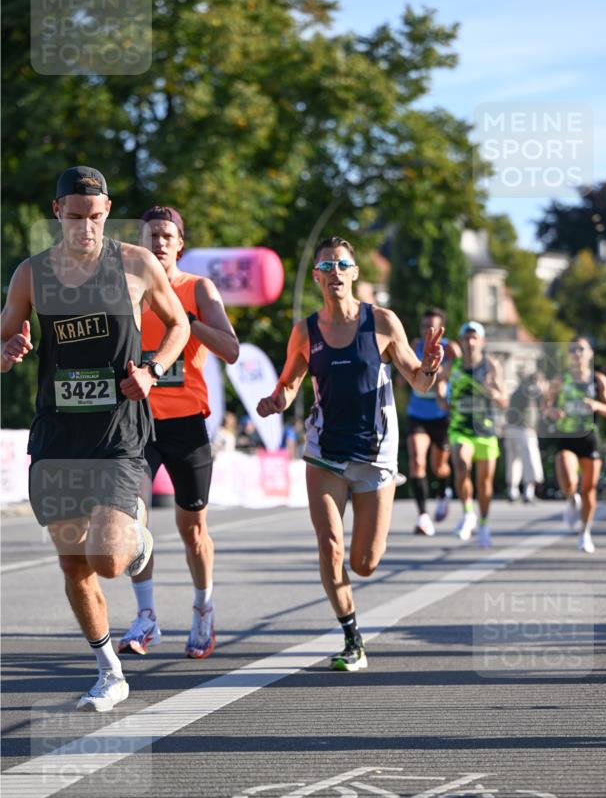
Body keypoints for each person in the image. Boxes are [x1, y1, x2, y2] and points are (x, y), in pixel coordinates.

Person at [0, 167, 189, 711]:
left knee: (107, 558)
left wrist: (152, 369)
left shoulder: (135, 262)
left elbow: (178, 324)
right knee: (73, 564)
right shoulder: (31, 274)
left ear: (108, 213)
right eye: (76, 217)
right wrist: (9, 351)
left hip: (120, 433)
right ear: (57, 211)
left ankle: (139, 542)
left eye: (97, 218)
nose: (86, 228)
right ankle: (110, 672)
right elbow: (5, 334)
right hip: (58, 433)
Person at [257, 236, 443, 671]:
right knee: (330, 547)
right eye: (326, 266)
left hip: (376, 455)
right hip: (325, 452)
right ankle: (351, 639)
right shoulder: (305, 330)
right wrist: (274, 401)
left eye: (343, 264)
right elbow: (288, 384)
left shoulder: (380, 322)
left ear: (355, 273)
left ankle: (357, 598)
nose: (334, 272)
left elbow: (418, 382)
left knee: (364, 563)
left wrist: (431, 364)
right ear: (318, 276)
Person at [118, 206, 239, 659]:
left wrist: (186, 320)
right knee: (131, 520)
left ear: (180, 243)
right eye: (151, 234)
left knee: (192, 529)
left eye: (167, 235)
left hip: (187, 422)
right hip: (135, 419)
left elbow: (230, 349)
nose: (159, 242)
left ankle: (204, 608)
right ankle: (146, 617)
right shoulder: (126, 288)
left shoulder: (199, 289)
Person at [543, 337, 606, 553]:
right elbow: (545, 406)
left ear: (590, 353)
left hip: (590, 439)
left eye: (581, 349)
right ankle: (570, 498)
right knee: (568, 480)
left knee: (589, 490)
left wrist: (596, 405)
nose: (577, 353)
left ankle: (585, 532)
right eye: (573, 349)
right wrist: (552, 412)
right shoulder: (560, 380)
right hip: (567, 436)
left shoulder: (598, 380)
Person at [439, 321, 507, 548]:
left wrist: (493, 392)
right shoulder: (453, 365)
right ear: (461, 341)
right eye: (466, 338)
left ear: (482, 341)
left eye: (474, 338)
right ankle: (468, 512)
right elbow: (440, 382)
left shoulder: (491, 366)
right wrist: (442, 399)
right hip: (460, 428)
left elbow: (504, 401)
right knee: (460, 463)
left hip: (485, 431)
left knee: (484, 484)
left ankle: (484, 524)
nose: (470, 342)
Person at [406, 308, 460, 535]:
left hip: (441, 415)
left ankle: (444, 492)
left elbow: (461, 369)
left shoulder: (449, 349)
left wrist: (443, 378)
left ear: (442, 329)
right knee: (417, 460)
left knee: (440, 467)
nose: (429, 331)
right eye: (425, 326)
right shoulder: (414, 346)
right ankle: (422, 516)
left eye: (433, 327)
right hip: (417, 413)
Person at [504, 370, 545, 503]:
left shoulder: (518, 389)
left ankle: (513, 490)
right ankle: (528, 492)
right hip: (524, 429)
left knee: (513, 460)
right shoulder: (530, 389)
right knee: (529, 459)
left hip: (512, 428)